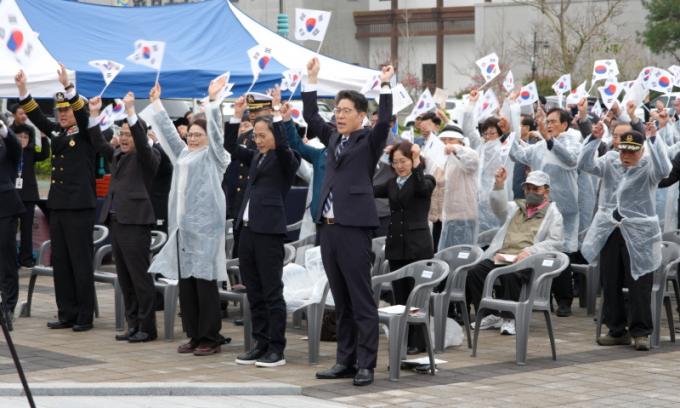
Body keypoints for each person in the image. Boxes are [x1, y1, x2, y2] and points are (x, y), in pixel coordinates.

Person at [302, 57, 394, 386]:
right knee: (340, 299)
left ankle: (366, 363)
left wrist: (386, 85)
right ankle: (346, 360)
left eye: (346, 111)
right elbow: (311, 116)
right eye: (337, 110)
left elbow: (385, 120)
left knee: (360, 298)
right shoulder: (332, 138)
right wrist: (311, 79)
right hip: (328, 228)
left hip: (354, 228)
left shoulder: (369, 140)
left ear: (361, 116)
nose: (339, 116)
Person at [146, 79, 230, 356]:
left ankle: (210, 338)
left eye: (198, 135)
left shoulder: (215, 157)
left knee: (204, 284)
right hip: (183, 231)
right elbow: (169, 135)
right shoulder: (183, 154)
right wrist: (157, 103)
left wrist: (213, 103)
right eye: (190, 134)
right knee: (187, 285)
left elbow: (217, 134)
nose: (192, 139)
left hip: (205, 231)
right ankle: (194, 334)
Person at [15, 65, 97, 332]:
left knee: (80, 262)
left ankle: (84, 316)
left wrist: (69, 87)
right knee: (60, 262)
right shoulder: (59, 133)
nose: (62, 114)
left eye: (66, 110)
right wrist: (23, 90)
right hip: (59, 206)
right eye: (59, 110)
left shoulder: (85, 132)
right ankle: (66, 312)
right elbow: (38, 118)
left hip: (80, 207)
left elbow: (83, 115)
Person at [579, 123, 671, 351]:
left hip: (640, 235)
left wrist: (654, 139)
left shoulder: (649, 167)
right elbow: (585, 164)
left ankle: (641, 332)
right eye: (623, 151)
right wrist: (593, 140)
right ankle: (616, 330)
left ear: (641, 150)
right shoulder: (610, 161)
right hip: (611, 230)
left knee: (639, 282)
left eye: (632, 151)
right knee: (610, 280)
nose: (626, 156)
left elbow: (664, 170)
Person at [226, 88, 300, 367]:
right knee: (254, 291)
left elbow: (283, 146)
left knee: (271, 292)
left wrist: (278, 114)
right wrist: (235, 117)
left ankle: (276, 348)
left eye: (262, 136)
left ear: (274, 135)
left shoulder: (285, 158)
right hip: (247, 230)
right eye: (255, 136)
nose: (257, 141)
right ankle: (260, 343)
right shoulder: (257, 156)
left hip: (269, 232)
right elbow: (231, 147)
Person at [88, 92, 160, 343]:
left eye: (129, 134)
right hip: (117, 221)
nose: (125, 138)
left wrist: (131, 111)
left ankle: (147, 327)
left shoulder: (148, 157)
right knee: (126, 278)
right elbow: (98, 143)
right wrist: (94, 114)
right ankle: (133, 324)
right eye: (122, 134)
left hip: (136, 223)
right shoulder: (118, 155)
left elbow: (141, 140)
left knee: (140, 277)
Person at [509, 101, 591, 317]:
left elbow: (572, 160)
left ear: (564, 125)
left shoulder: (572, 142)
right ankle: (540, 296)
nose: (549, 125)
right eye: (548, 121)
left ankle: (564, 300)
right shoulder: (538, 147)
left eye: (554, 122)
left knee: (560, 252)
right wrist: (510, 131)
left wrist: (549, 139)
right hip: (540, 207)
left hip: (564, 208)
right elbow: (518, 155)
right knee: (538, 249)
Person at [466, 169, 564, 335]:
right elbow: (499, 208)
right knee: (476, 271)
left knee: (511, 274)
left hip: (528, 260)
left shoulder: (553, 214)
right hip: (505, 256)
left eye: (536, 189)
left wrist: (530, 251)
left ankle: (510, 317)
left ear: (546, 191)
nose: (531, 192)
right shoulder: (516, 207)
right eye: (528, 188)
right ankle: (489, 315)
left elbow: (555, 243)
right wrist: (499, 185)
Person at [374, 141, 435, 354]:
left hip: (418, 247)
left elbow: (421, 188)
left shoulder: (426, 179)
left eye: (404, 161)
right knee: (400, 296)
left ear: (412, 160)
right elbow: (369, 189)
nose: (399, 166)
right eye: (395, 162)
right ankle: (404, 339)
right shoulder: (392, 183)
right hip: (396, 247)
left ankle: (419, 342)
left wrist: (417, 161)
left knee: (416, 296)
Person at [222, 93, 272, 257]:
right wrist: (236, 116)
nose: (252, 115)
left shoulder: (276, 139)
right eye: (251, 111)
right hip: (242, 205)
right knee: (240, 257)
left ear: (269, 112)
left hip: (263, 210)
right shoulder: (245, 136)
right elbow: (230, 146)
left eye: (257, 111)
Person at [13, 124, 50, 267]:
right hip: (12, 196)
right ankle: (11, 258)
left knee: (27, 229)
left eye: (25, 137)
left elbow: (44, 154)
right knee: (10, 229)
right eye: (19, 136)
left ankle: (26, 259)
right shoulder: (9, 151)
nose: (22, 139)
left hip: (28, 196)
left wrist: (43, 138)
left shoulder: (31, 151)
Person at [437, 127, 480, 249]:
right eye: (443, 140)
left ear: (461, 142)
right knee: (443, 254)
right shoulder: (442, 158)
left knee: (462, 253)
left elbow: (472, 160)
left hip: (463, 216)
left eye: (451, 139)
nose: (446, 143)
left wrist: (455, 149)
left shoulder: (467, 155)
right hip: (442, 217)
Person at [0, 121, 24, 331]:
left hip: (5, 209)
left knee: (6, 259)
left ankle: (8, 307)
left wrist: (3, 129)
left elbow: (16, 147)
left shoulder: (6, 146)